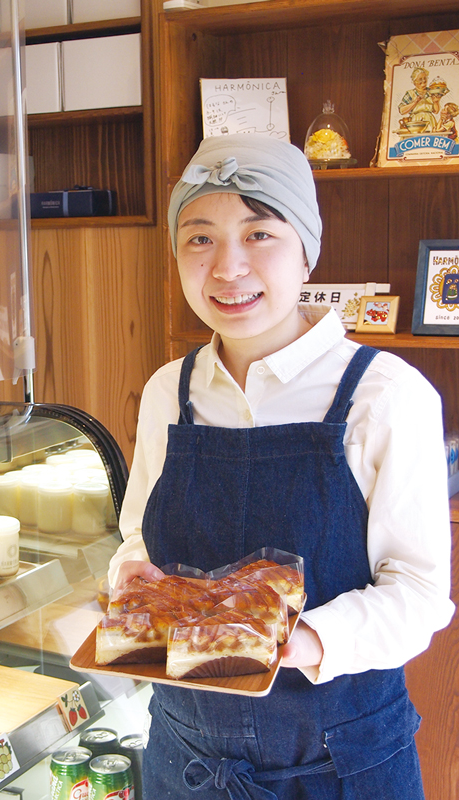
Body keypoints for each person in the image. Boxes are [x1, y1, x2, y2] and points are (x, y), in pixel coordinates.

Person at [107, 134, 454, 799]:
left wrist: (303, 642)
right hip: (187, 762)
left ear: (306, 251)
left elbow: (417, 594)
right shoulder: (166, 393)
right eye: (199, 239)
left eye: (259, 234)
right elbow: (138, 539)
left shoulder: (385, 395)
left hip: (341, 766)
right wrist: (133, 582)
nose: (228, 268)